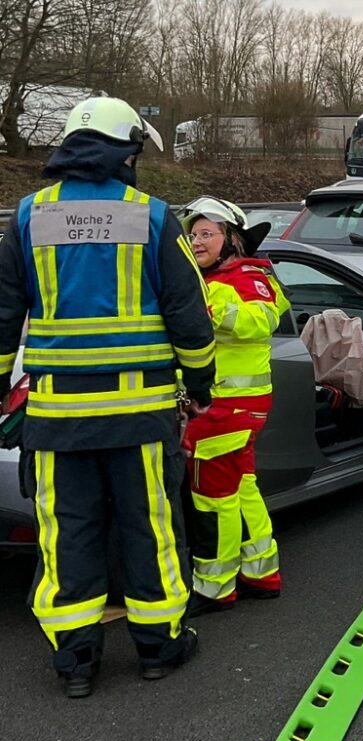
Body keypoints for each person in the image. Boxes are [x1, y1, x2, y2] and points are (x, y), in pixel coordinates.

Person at [0, 97, 216, 697]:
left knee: (67, 533)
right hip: (138, 416)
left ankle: (75, 660)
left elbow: (2, 313)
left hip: (55, 417)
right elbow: (187, 316)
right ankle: (157, 647)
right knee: (148, 528)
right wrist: (199, 387)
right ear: (128, 149)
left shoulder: (27, 215)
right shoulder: (150, 216)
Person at [177, 197, 289, 616]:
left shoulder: (241, 276)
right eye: (194, 233)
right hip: (231, 407)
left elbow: (259, 321)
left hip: (225, 406)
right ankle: (261, 574)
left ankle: (214, 587)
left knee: (213, 498)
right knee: (242, 489)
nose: (197, 240)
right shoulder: (220, 277)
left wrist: (207, 305)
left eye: (208, 233)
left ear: (232, 240)